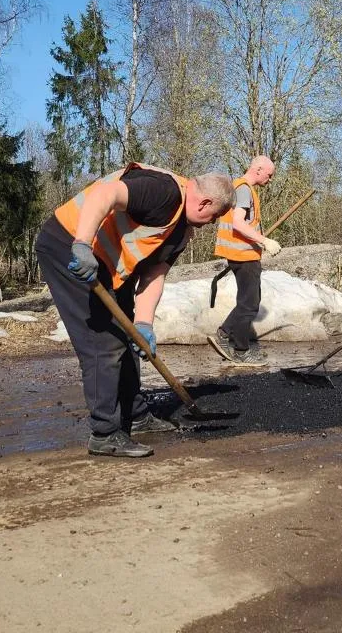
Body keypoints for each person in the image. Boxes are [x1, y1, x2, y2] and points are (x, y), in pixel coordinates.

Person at [36, 163, 234, 458]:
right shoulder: (163, 191)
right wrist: (81, 245)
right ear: (205, 202)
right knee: (103, 342)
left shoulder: (182, 231)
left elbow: (154, 275)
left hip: (110, 265)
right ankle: (105, 433)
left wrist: (144, 324)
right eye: (214, 216)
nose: (211, 223)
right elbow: (105, 194)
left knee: (129, 334)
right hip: (68, 245)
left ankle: (135, 415)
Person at [208, 155, 280, 365]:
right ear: (258, 169)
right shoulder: (243, 189)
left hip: (243, 254)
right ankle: (235, 345)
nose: (270, 179)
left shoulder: (241, 188)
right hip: (243, 255)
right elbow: (238, 224)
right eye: (269, 174)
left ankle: (232, 341)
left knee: (249, 302)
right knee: (249, 304)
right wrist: (264, 241)